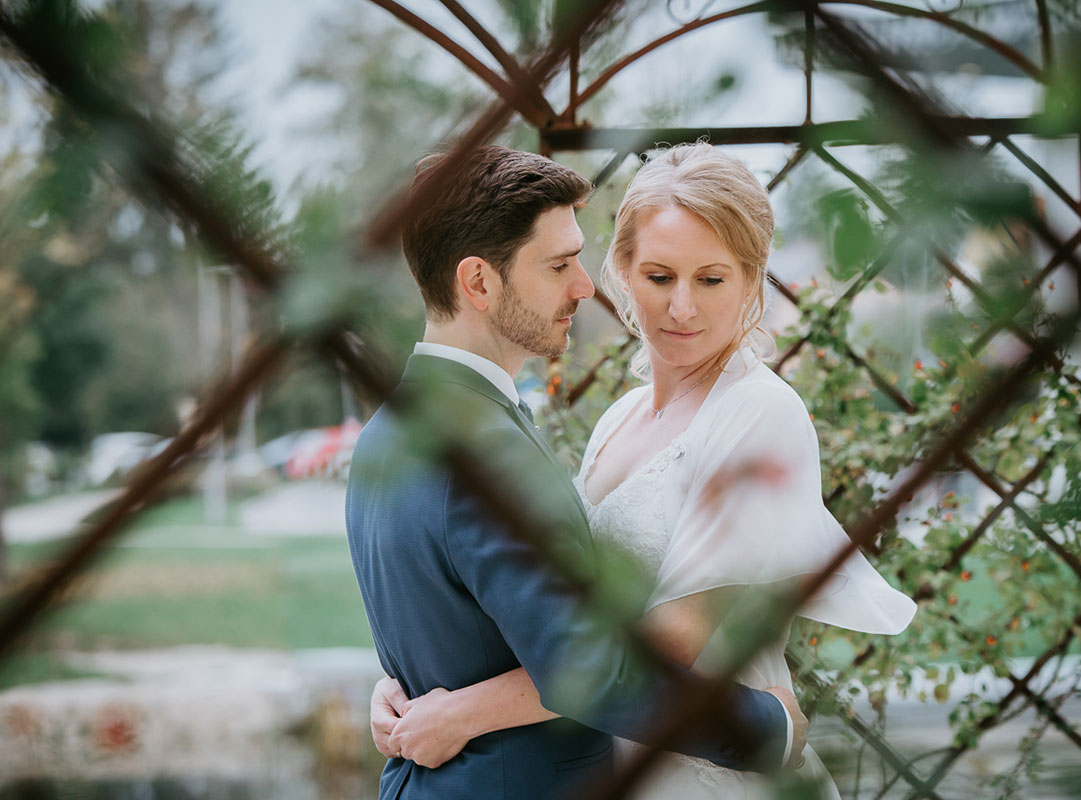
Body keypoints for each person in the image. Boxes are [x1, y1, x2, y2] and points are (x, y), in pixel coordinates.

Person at [369, 143, 918, 798]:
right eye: (660, 277)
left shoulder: (759, 414)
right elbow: (556, 619)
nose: (681, 308)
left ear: (751, 279)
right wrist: (412, 691)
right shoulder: (618, 421)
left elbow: (667, 645)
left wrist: (461, 712)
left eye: (711, 280)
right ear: (623, 272)